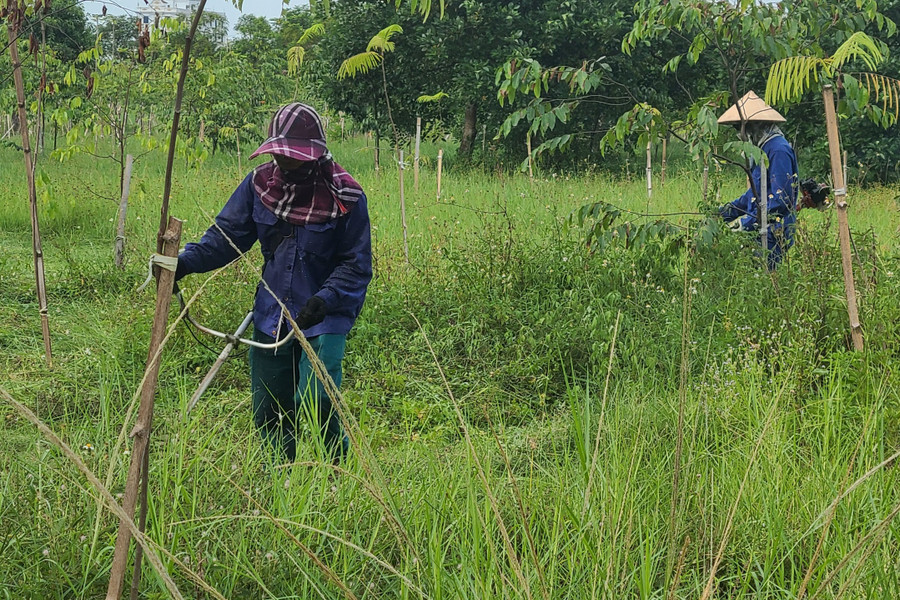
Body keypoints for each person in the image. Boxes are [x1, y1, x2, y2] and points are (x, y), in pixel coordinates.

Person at [174, 102, 372, 463]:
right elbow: (225, 238)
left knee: (316, 398)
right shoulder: (259, 185)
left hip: (323, 316)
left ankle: (337, 471)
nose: (285, 163)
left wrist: (326, 299)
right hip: (271, 313)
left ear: (315, 155)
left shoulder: (347, 197)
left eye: (294, 156)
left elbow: (356, 264)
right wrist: (183, 264)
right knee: (270, 407)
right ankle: (280, 478)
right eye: (280, 154)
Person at [717, 91, 799, 269]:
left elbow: (781, 199)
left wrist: (745, 223)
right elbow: (752, 196)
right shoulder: (761, 150)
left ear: (754, 127)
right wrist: (721, 214)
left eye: (740, 128)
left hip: (773, 232)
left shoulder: (777, 150)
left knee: (764, 279)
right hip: (758, 228)